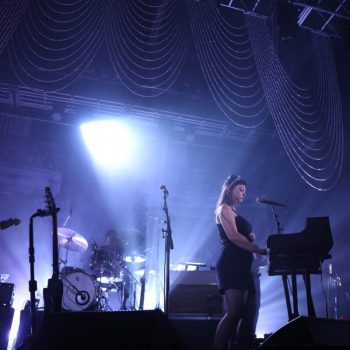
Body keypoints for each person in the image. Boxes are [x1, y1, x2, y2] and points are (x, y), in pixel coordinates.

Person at [213, 174, 268, 350]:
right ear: (230, 189)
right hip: (232, 264)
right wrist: (258, 249)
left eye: (245, 190)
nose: (244, 193)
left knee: (247, 311)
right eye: (241, 189)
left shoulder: (234, 210)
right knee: (234, 312)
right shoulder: (224, 209)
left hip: (242, 266)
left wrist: (248, 237)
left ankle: (243, 345)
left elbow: (239, 235)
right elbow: (234, 237)